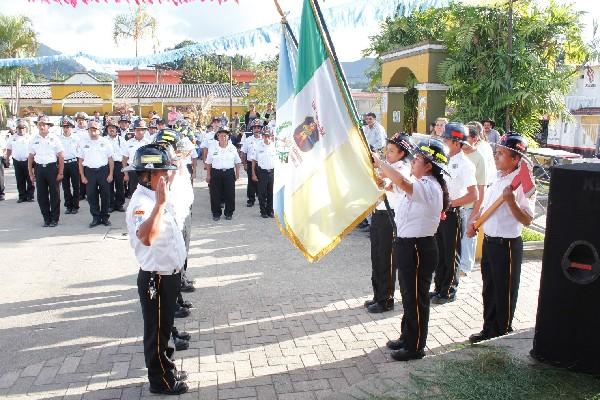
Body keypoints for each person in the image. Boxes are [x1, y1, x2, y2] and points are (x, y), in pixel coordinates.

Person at [373, 138, 450, 361]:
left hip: (418, 247)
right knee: (408, 295)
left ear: (429, 166)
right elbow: (395, 184)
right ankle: (407, 336)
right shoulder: (421, 183)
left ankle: (416, 346)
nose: (413, 163)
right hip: (409, 244)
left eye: (417, 160)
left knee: (416, 297)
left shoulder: (429, 186)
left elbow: (401, 181)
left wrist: (380, 162)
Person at [124, 144, 189, 396]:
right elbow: (146, 237)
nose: (168, 175)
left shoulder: (155, 196)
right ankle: (160, 381)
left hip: (168, 275)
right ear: (147, 175)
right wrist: (160, 205)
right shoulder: (143, 203)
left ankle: (166, 367)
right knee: (156, 333)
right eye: (163, 171)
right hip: (156, 277)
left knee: (164, 327)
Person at [466, 133, 535, 343]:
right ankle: (488, 328)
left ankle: (502, 331)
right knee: (489, 288)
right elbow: (488, 206)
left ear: (516, 159)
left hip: (507, 245)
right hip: (490, 241)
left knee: (504, 291)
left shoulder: (521, 183)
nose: (496, 157)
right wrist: (476, 221)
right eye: (496, 152)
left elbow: (527, 220)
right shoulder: (497, 177)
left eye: (501, 154)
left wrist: (511, 201)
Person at [365, 133, 413, 314]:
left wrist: (381, 171)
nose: (388, 153)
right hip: (379, 214)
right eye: (387, 150)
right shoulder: (389, 165)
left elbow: (393, 183)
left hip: (391, 217)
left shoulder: (403, 167)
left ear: (402, 153)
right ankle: (378, 294)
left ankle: (386, 299)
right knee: (376, 256)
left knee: (387, 259)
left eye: (392, 151)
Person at [431, 123, 477, 304]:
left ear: (457, 143)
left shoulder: (466, 164)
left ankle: (449, 290)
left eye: (447, 139)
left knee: (451, 254)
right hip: (440, 212)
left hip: (453, 214)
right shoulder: (444, 159)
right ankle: (439, 287)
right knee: (440, 253)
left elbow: (473, 194)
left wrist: (450, 205)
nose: (444, 141)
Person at [459, 123, 488, 276]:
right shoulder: (457, 154)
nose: (461, 141)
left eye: (465, 138)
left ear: (474, 139)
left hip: (470, 205)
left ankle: (465, 267)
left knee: (468, 237)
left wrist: (476, 212)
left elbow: (481, 188)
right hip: (457, 205)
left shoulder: (479, 158)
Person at [28, 115, 64, 228]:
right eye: (40, 124)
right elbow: (30, 156)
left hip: (52, 168)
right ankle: (46, 218)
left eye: (44, 124)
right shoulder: (34, 139)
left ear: (48, 126)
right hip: (39, 169)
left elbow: (61, 155)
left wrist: (61, 172)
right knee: (41, 195)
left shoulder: (54, 138)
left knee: (54, 194)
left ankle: (54, 218)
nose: (42, 126)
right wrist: (30, 172)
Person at [78, 120, 114, 227]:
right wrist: (82, 176)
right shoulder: (83, 142)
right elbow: (80, 161)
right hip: (89, 172)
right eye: (90, 129)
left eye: (94, 129)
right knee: (91, 196)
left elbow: (110, 159)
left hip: (103, 171)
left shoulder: (105, 141)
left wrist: (111, 174)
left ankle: (105, 217)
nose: (92, 131)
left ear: (99, 130)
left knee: (105, 195)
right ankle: (95, 218)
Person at [205, 128, 241, 221]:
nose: (223, 137)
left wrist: (237, 174)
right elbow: (208, 162)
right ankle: (216, 213)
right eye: (221, 135)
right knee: (215, 194)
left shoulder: (232, 148)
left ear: (228, 137)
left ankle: (229, 213)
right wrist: (208, 175)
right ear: (218, 136)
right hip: (216, 172)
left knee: (230, 194)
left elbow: (237, 162)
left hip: (229, 172)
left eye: (225, 135)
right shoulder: (213, 147)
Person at [250, 126, 277, 218]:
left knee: (271, 192)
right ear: (262, 136)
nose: (267, 137)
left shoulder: (275, 146)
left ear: (271, 136)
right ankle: (263, 211)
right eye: (265, 136)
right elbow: (253, 161)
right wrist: (253, 173)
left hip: (272, 172)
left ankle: (270, 210)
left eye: (268, 136)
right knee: (262, 193)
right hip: (262, 172)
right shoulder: (258, 146)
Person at [5, 119, 35, 203]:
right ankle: (22, 196)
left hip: (27, 161)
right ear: (16, 128)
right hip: (17, 161)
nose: (21, 130)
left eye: (23, 128)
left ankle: (30, 196)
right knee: (19, 179)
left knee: (30, 178)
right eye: (19, 128)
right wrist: (7, 159)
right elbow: (9, 149)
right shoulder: (12, 137)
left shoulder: (30, 137)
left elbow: (34, 150)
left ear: (26, 128)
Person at [58, 116, 81, 215]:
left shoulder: (76, 138)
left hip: (73, 163)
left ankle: (75, 205)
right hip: (63, 164)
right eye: (64, 127)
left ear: (72, 127)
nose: (66, 128)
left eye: (68, 126)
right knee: (65, 186)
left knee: (76, 185)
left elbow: (80, 152)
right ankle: (68, 205)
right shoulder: (58, 139)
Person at [123, 120, 150, 198]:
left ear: (145, 131)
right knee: (134, 193)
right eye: (138, 129)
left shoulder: (149, 143)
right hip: (133, 171)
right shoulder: (128, 143)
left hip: (145, 170)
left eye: (142, 130)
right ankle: (134, 209)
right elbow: (124, 159)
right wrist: (126, 174)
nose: (140, 132)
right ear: (134, 130)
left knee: (146, 193)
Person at [105, 119, 127, 213]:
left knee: (120, 185)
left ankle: (119, 204)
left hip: (118, 164)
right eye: (109, 128)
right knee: (109, 185)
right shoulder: (104, 140)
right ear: (107, 130)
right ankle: (110, 204)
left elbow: (125, 155)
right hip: (107, 165)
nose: (111, 129)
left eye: (113, 128)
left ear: (116, 129)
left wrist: (124, 169)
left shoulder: (121, 140)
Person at [241, 119, 263, 207]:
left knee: (262, 182)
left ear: (261, 129)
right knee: (251, 182)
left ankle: (262, 199)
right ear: (252, 129)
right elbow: (243, 153)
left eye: (258, 128)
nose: (256, 129)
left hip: (262, 164)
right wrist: (244, 164)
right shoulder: (248, 140)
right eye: (255, 128)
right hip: (250, 163)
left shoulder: (265, 138)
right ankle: (251, 199)